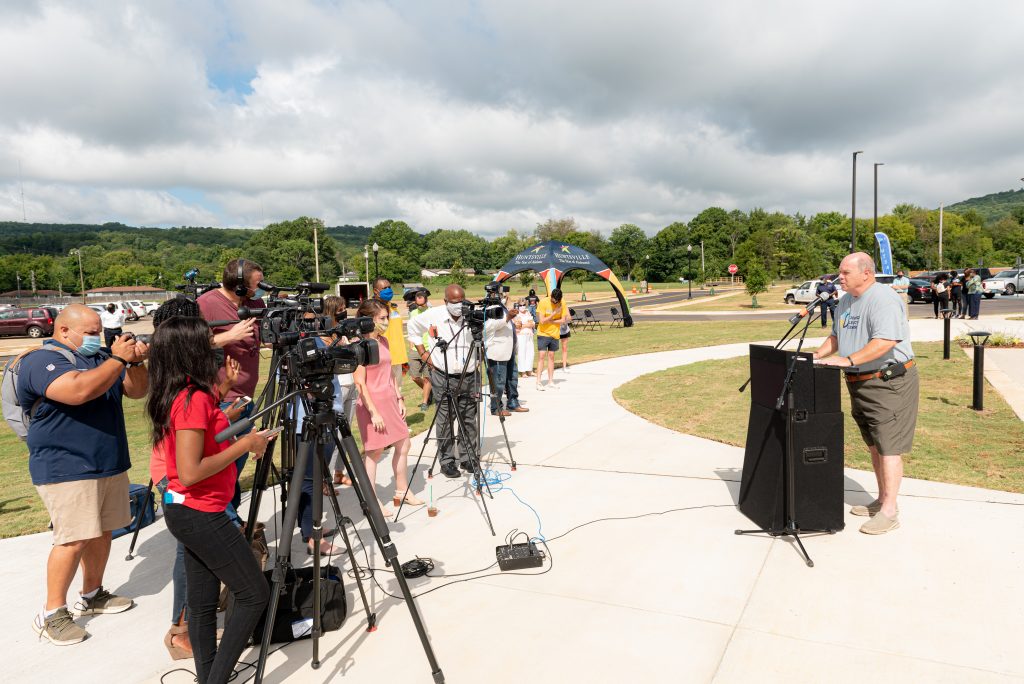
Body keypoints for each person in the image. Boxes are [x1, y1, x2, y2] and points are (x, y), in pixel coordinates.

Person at [147, 316, 274, 684]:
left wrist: (223, 397)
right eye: (208, 343)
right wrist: (244, 444)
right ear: (191, 351)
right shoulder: (192, 398)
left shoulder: (188, 393)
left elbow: (201, 434)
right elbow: (189, 471)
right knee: (254, 594)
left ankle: (208, 676)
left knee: (201, 606)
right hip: (199, 512)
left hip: (192, 511)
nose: (215, 349)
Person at [18, 304, 149, 645]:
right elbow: (77, 391)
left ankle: (93, 594)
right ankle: (52, 613)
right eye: (90, 332)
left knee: (102, 531)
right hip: (67, 467)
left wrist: (134, 361)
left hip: (107, 461)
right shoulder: (41, 361)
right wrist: (118, 360)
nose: (97, 337)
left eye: (98, 330)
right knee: (73, 538)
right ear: (63, 331)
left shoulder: (102, 358)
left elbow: (137, 391)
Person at [149, 299, 244, 659]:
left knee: (198, 554)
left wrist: (222, 396)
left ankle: (192, 624)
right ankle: (182, 629)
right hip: (180, 481)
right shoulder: (180, 384)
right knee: (196, 551)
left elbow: (198, 421)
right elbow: (189, 441)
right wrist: (245, 443)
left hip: (191, 476)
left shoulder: (184, 380)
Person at [813, 253, 918, 535]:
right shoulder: (846, 300)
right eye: (839, 272)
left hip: (887, 382)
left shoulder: (883, 299)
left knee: (889, 446)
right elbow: (837, 336)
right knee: (874, 444)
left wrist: (847, 361)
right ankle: (881, 499)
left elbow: (885, 341)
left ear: (867, 273)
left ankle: (890, 511)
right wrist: (816, 356)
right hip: (859, 381)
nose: (840, 278)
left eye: (845, 272)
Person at [197, 258, 266, 524]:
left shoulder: (255, 304)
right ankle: (227, 525)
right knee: (222, 468)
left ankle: (231, 520)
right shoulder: (207, 303)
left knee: (235, 467)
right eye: (255, 285)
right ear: (238, 285)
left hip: (247, 395)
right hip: (222, 399)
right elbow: (186, 341)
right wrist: (227, 337)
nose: (259, 290)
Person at [406, 284, 479, 478]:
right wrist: (423, 353)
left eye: (461, 301)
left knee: (469, 418)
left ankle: (468, 457)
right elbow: (412, 327)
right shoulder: (433, 315)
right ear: (446, 301)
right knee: (445, 419)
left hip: (469, 375)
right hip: (442, 375)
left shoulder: (471, 315)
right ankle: (447, 461)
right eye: (454, 302)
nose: (458, 306)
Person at [352, 299, 419, 512]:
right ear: (368, 319)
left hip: (390, 399)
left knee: (404, 444)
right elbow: (359, 382)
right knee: (374, 452)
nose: (386, 321)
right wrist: (373, 412)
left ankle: (402, 489)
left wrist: (399, 397)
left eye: (386, 317)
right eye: (382, 318)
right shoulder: (359, 345)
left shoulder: (383, 341)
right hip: (372, 404)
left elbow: (389, 372)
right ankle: (371, 501)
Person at [483, 292, 528, 416]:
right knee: (498, 381)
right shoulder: (489, 309)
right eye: (500, 293)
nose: (503, 296)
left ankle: (513, 402)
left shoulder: (503, 307)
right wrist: (507, 318)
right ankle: (496, 407)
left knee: (512, 379)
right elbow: (487, 327)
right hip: (497, 351)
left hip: (509, 350)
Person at [372, 277, 409, 391]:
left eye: (389, 287)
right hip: (381, 358)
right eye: (384, 288)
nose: (388, 290)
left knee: (397, 392)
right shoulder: (372, 308)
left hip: (397, 357)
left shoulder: (393, 308)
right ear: (376, 291)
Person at [535, 288, 570, 390]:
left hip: (555, 334)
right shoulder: (543, 302)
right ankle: (538, 382)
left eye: (557, 301)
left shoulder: (562, 302)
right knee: (541, 355)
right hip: (543, 333)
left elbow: (563, 320)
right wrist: (554, 314)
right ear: (551, 297)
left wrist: (551, 321)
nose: (555, 302)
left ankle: (550, 381)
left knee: (551, 356)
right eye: (554, 300)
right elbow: (541, 321)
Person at [406, 288, 433, 412]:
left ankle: (425, 401)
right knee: (415, 377)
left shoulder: (432, 312)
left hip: (428, 349)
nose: (420, 300)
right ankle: (430, 392)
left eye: (422, 298)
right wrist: (411, 343)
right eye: (418, 298)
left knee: (427, 377)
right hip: (415, 348)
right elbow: (412, 330)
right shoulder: (413, 313)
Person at [514, 301, 536, 378]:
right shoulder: (516, 314)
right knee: (521, 353)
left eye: (524, 305)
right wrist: (527, 324)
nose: (522, 306)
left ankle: (529, 370)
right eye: (521, 305)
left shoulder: (528, 313)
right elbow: (518, 326)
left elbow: (533, 324)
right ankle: (523, 372)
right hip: (521, 335)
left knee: (530, 352)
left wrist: (525, 325)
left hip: (529, 334)